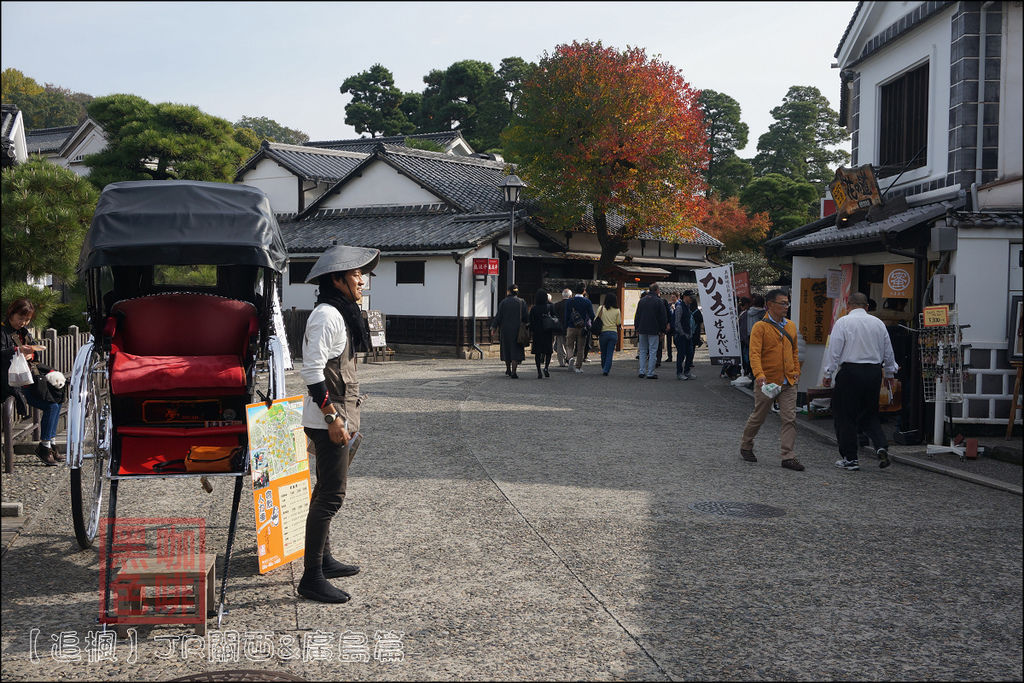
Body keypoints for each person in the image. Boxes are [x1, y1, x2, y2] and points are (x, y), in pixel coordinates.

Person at [299, 244, 380, 603]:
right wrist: (332, 417)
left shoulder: (341, 313)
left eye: (362, 274)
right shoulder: (326, 316)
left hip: (341, 418)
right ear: (337, 279)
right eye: (356, 274)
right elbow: (312, 371)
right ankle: (311, 577)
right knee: (331, 496)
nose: (362, 280)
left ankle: (325, 560)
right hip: (329, 421)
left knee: (325, 490)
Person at [822, 291, 899, 471]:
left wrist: (828, 373)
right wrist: (889, 374)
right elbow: (888, 351)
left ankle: (850, 458)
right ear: (867, 307)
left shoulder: (843, 322)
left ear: (848, 305)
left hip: (850, 371)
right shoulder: (878, 323)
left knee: (845, 415)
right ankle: (881, 445)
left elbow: (834, 350)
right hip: (873, 372)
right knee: (869, 412)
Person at [739, 289, 805, 472]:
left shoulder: (790, 326)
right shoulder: (760, 327)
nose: (786, 306)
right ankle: (746, 444)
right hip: (767, 381)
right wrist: (759, 375)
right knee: (759, 416)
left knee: (789, 418)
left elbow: (794, 351)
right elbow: (754, 354)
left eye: (787, 303)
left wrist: (796, 370)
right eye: (783, 303)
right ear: (770, 305)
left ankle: (788, 456)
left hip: (788, 381)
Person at [1, 299, 64, 466]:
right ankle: (45, 446)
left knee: (57, 400)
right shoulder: (3, 331)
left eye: (27, 320)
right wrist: (17, 350)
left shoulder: (24, 332)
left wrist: (31, 353)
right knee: (51, 405)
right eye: (20, 318)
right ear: (11, 313)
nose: (23, 322)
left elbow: (35, 351)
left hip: (29, 378)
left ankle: (50, 443)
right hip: (13, 382)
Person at [491, 285, 528, 378]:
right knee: (515, 350)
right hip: (518, 330)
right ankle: (514, 372)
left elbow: (498, 316)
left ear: (509, 291)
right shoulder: (522, 302)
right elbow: (526, 317)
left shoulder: (503, 302)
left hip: (505, 330)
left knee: (506, 349)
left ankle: (508, 369)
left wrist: (494, 327)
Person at [635, 284, 667, 379]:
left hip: (642, 329)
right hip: (654, 329)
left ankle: (642, 371)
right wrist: (663, 330)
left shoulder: (642, 301)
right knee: (653, 351)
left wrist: (637, 328)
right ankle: (650, 372)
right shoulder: (659, 301)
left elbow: (637, 315)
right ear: (657, 290)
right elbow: (663, 317)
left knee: (643, 351)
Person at [562, 284, 594, 374]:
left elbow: (566, 316)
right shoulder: (587, 302)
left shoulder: (569, 301)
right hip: (582, 328)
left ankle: (570, 358)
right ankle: (578, 367)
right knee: (581, 348)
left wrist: (565, 326)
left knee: (569, 346)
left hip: (571, 327)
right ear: (584, 291)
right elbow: (591, 315)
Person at [528, 288, 555, 379]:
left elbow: (530, 321)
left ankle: (539, 371)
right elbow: (554, 318)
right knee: (548, 351)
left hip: (537, 333)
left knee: (538, 353)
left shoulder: (534, 308)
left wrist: (531, 331)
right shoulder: (550, 307)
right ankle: (546, 367)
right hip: (547, 331)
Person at [595, 293, 622, 376]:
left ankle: (604, 367)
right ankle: (606, 370)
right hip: (613, 333)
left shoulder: (601, 308)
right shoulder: (617, 310)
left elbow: (596, 319)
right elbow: (618, 322)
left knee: (603, 352)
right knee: (610, 353)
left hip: (603, 333)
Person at [740, 294, 766, 377]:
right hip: (760, 337)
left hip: (749, 336)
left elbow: (742, 327)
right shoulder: (764, 313)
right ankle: (758, 373)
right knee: (760, 355)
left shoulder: (746, 313)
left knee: (750, 355)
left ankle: (751, 372)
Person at [672, 290, 694, 380]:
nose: (691, 299)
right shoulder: (680, 307)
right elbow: (677, 322)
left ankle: (687, 371)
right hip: (681, 335)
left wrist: (690, 333)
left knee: (690, 354)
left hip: (688, 334)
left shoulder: (688, 307)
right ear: (685, 297)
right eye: (690, 297)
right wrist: (682, 333)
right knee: (681, 355)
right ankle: (679, 373)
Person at [681, 290, 701, 379]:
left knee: (686, 351)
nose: (691, 299)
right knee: (689, 351)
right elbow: (700, 321)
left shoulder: (686, 308)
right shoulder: (696, 312)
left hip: (687, 333)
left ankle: (685, 370)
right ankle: (686, 367)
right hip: (692, 333)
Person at [552, 288, 571, 368]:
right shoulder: (571, 304)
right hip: (570, 327)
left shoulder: (556, 305)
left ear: (562, 295)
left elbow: (554, 316)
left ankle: (561, 362)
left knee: (560, 345)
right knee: (569, 345)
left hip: (559, 328)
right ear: (570, 295)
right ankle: (569, 359)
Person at [665, 293, 680, 363]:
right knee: (668, 342)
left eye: (674, 297)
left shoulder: (679, 305)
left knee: (676, 341)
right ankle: (669, 357)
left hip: (676, 326)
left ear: (677, 297)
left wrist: (675, 309)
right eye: (671, 297)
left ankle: (679, 356)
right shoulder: (669, 305)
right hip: (669, 326)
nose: (672, 298)